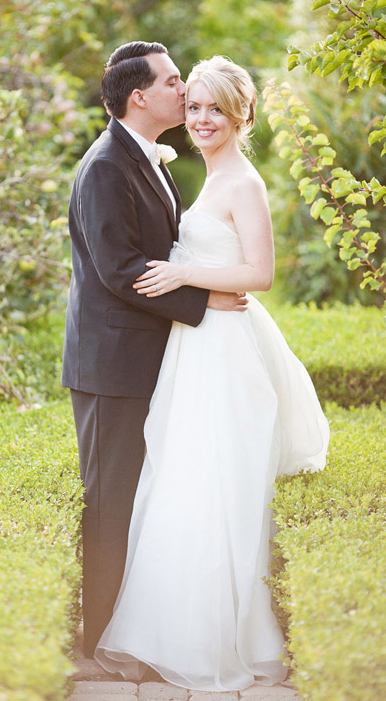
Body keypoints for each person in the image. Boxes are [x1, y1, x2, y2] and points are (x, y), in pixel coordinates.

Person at [94, 56, 329, 690]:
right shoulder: (205, 176)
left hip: (225, 354)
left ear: (241, 115)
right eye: (193, 104)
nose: (200, 118)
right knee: (178, 481)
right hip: (195, 346)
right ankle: (161, 632)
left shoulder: (244, 183)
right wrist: (191, 283)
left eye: (214, 109)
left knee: (215, 486)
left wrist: (184, 273)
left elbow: (259, 275)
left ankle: (218, 641)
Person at [61, 42, 247, 659]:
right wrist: (205, 302)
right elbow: (119, 269)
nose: (182, 92)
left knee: (143, 495)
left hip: (147, 357)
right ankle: (98, 642)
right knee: (111, 498)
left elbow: (163, 254)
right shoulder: (107, 165)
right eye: (173, 83)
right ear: (140, 97)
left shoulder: (152, 159)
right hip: (111, 366)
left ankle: (132, 630)